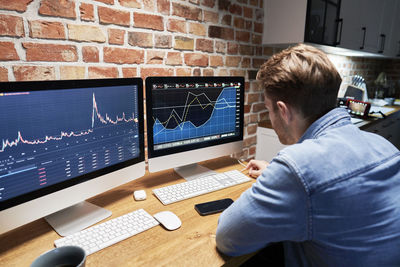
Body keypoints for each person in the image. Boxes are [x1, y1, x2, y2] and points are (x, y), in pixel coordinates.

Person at [215, 43, 400, 266]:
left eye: (268, 109)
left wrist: (284, 177)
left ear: (283, 111)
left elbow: (228, 239)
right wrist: (274, 175)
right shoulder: (385, 147)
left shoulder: (298, 168)